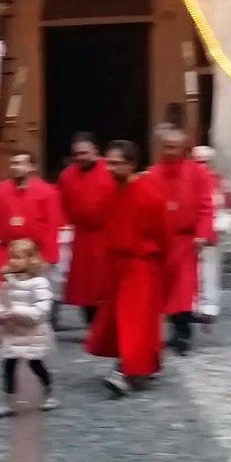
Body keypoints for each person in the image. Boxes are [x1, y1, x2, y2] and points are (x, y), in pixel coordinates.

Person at [85, 141, 168, 397]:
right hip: (117, 264)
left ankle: (124, 371)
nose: (109, 168)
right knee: (123, 319)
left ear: (131, 164)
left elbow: (163, 233)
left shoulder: (148, 194)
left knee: (134, 319)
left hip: (140, 264)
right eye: (108, 162)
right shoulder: (112, 192)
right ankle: (147, 363)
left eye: (115, 163)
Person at [149, 129, 214, 355]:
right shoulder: (153, 174)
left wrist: (202, 233)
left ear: (184, 150)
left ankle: (183, 333)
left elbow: (206, 206)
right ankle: (170, 329)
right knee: (164, 290)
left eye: (174, 147)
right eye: (166, 146)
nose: (169, 151)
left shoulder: (198, 174)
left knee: (184, 289)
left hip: (185, 241)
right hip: (160, 242)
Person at [0, 151, 61, 309]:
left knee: (31, 293)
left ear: (32, 167)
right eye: (13, 163)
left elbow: (52, 225)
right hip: (7, 248)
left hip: (33, 250)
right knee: (1, 290)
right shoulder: (3, 189)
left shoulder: (47, 192)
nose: (15, 167)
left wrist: (50, 256)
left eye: (20, 163)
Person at [0, 239, 57, 418]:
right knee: (8, 365)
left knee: (35, 363)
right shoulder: (8, 281)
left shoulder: (40, 283)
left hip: (32, 333)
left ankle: (48, 391)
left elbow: (41, 310)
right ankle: (8, 400)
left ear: (30, 260)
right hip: (12, 331)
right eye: (11, 257)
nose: (12, 261)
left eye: (17, 258)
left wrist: (16, 312)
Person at [56, 133, 114, 329]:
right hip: (82, 235)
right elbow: (61, 204)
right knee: (85, 284)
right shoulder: (67, 176)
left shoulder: (111, 168)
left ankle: (109, 322)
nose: (81, 157)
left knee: (108, 280)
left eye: (84, 153)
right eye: (77, 154)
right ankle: (92, 323)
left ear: (95, 151)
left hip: (108, 233)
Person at [192, 146, 231, 324]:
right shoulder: (189, 181)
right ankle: (192, 305)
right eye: (197, 161)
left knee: (210, 271)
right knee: (192, 271)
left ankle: (209, 306)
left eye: (204, 161)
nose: (201, 165)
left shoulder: (220, 181)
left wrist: (220, 224)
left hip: (212, 232)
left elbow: (230, 206)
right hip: (192, 233)